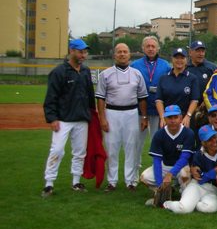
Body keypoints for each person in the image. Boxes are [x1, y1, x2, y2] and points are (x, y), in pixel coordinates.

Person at [42, 38, 96, 197]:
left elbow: (89, 94)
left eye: (85, 52)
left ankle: (76, 181)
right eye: (80, 52)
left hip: (81, 119)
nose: (83, 55)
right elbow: (51, 97)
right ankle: (49, 183)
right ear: (71, 51)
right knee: (57, 150)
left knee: (80, 152)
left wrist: (91, 113)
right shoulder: (59, 72)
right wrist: (52, 118)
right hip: (63, 120)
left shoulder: (85, 71)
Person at [95, 43, 148, 192]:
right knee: (112, 147)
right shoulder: (105, 74)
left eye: (125, 52)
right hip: (112, 112)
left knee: (131, 147)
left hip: (131, 112)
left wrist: (144, 117)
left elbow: (142, 98)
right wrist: (102, 118)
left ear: (129, 55)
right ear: (114, 55)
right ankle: (112, 181)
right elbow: (100, 98)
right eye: (119, 52)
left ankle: (130, 181)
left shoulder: (137, 74)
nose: (122, 54)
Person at [140, 105, 196, 206]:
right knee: (145, 177)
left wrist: (170, 175)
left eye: (175, 117)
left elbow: (185, 158)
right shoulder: (159, 134)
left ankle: (183, 196)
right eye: (170, 117)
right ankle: (164, 191)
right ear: (165, 118)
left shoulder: (188, 133)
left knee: (185, 175)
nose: (173, 120)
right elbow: (157, 160)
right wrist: (159, 183)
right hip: (165, 165)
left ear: (181, 117)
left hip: (181, 166)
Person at [131, 36, 171, 170]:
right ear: (143, 48)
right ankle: (134, 170)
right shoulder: (135, 65)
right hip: (140, 110)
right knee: (137, 142)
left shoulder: (165, 65)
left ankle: (157, 169)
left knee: (157, 141)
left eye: (153, 46)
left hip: (158, 110)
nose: (150, 49)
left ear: (158, 48)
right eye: (147, 46)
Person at [162, 125, 217, 214]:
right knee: (183, 209)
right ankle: (167, 204)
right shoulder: (198, 155)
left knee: (210, 208)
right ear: (203, 143)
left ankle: (193, 202)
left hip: (213, 191)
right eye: (209, 140)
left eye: (214, 137)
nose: (214, 141)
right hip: (197, 186)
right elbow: (202, 179)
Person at [155, 47, 200, 128]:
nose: (179, 60)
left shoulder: (192, 78)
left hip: (184, 119)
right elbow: (159, 100)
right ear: (172, 59)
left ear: (186, 60)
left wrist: (188, 116)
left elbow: (194, 100)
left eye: (182, 58)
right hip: (167, 119)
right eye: (176, 58)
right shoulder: (163, 78)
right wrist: (162, 117)